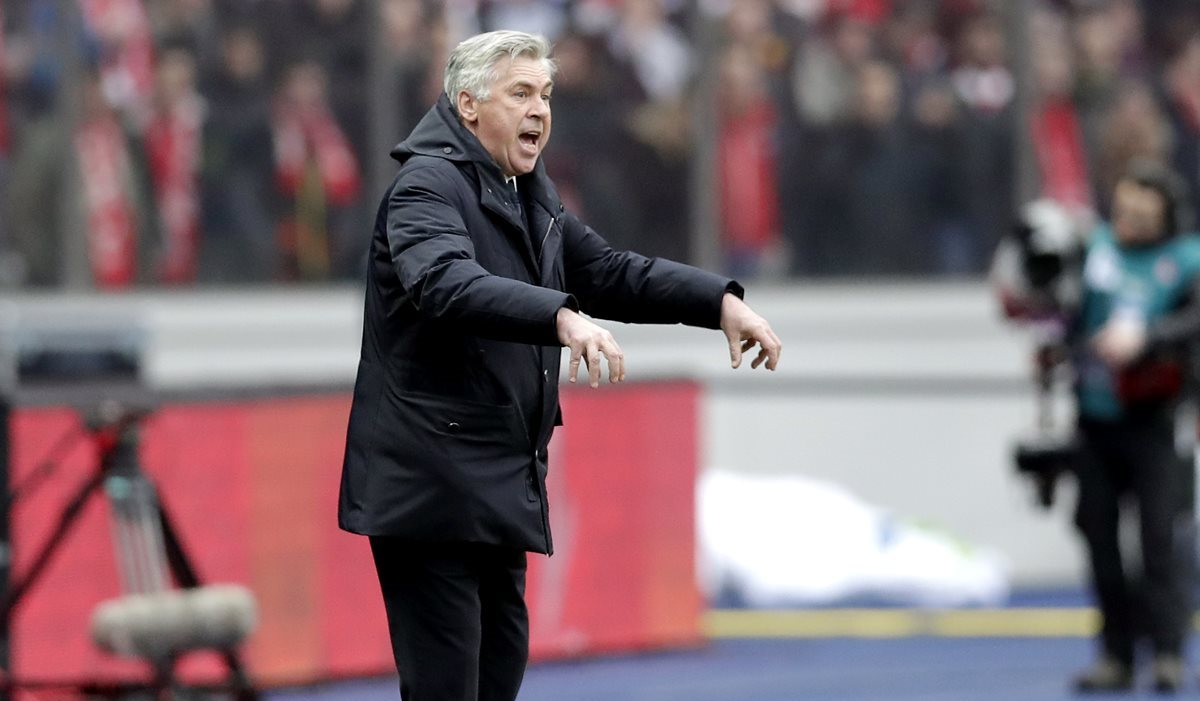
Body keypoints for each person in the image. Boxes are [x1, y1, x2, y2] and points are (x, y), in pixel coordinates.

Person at [336, 30, 782, 701]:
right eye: (520, 93)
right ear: (468, 104)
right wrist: (559, 315)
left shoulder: (527, 190)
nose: (539, 110)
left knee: (498, 675)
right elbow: (446, 283)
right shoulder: (424, 187)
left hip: (494, 479)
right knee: (447, 688)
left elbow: (608, 271)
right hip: (429, 485)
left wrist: (717, 300)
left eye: (545, 94)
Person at [1069, 161, 1200, 693]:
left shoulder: (1186, 260)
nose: (1130, 225)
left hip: (1157, 418)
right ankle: (1115, 652)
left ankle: (1167, 651)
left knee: (1159, 539)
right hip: (1096, 416)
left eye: (1144, 217)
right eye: (1124, 212)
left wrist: (1147, 337)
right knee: (1098, 537)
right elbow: (1064, 309)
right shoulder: (1097, 250)